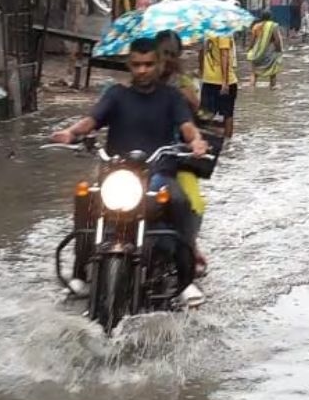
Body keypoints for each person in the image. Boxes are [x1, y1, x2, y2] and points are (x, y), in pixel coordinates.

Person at [51, 37, 209, 303]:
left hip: (158, 174)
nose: (142, 70)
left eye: (148, 64)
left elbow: (187, 127)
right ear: (129, 65)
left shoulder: (172, 97)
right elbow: (91, 121)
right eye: (137, 64)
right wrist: (71, 132)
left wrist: (196, 141)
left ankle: (185, 279)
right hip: (117, 174)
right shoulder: (116, 94)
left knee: (179, 201)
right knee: (85, 196)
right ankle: (80, 273)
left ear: (159, 64)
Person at [155, 30, 212, 278]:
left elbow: (200, 115)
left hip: (177, 155)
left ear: (178, 57)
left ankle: (189, 248)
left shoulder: (183, 85)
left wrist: (189, 99)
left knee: (190, 202)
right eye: (163, 53)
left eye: (172, 54)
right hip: (142, 157)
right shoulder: (142, 79)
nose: (167, 59)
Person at [200, 32, 239, 139]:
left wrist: (202, 72)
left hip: (208, 79)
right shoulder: (224, 32)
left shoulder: (207, 32)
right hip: (223, 81)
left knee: (206, 115)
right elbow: (224, 55)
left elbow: (202, 52)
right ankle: (227, 143)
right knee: (228, 115)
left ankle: (209, 141)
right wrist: (225, 82)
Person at [246, 10, 285, 88]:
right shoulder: (273, 26)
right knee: (272, 73)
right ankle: (272, 88)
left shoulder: (256, 26)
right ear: (270, 17)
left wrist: (249, 50)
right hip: (270, 53)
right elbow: (277, 40)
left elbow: (252, 41)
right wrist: (279, 50)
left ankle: (251, 89)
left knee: (254, 73)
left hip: (257, 53)